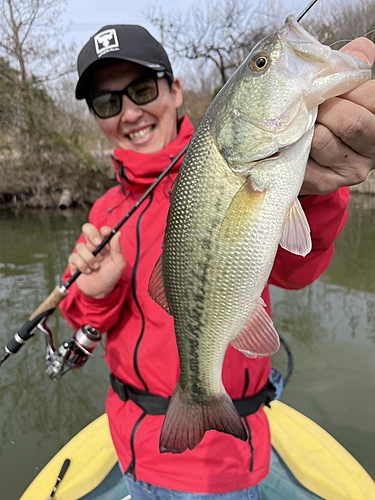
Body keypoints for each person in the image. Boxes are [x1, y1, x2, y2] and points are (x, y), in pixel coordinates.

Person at [60, 23, 375, 499]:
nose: (130, 112)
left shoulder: (240, 161)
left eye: (142, 89)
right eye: (108, 103)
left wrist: (313, 192)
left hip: (229, 461)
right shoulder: (104, 214)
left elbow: (296, 268)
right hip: (135, 449)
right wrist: (95, 294)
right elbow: (83, 326)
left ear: (176, 89)